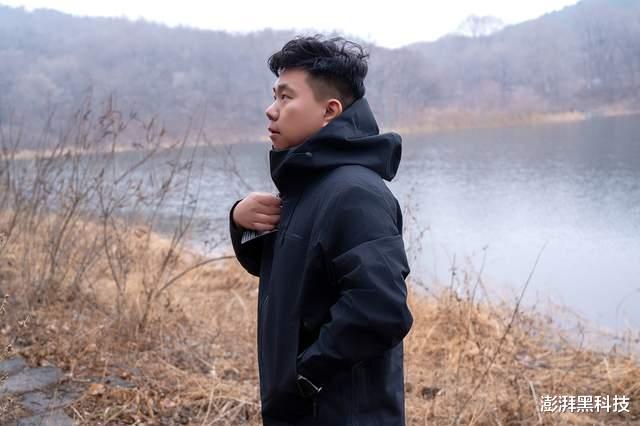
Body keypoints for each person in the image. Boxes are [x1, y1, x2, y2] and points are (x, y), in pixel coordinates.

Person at [229, 35, 413, 426]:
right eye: (274, 96)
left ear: (330, 110)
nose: (270, 110)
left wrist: (307, 375)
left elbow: (381, 308)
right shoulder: (307, 185)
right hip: (300, 409)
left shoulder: (354, 192)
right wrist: (240, 222)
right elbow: (290, 274)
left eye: (285, 97)